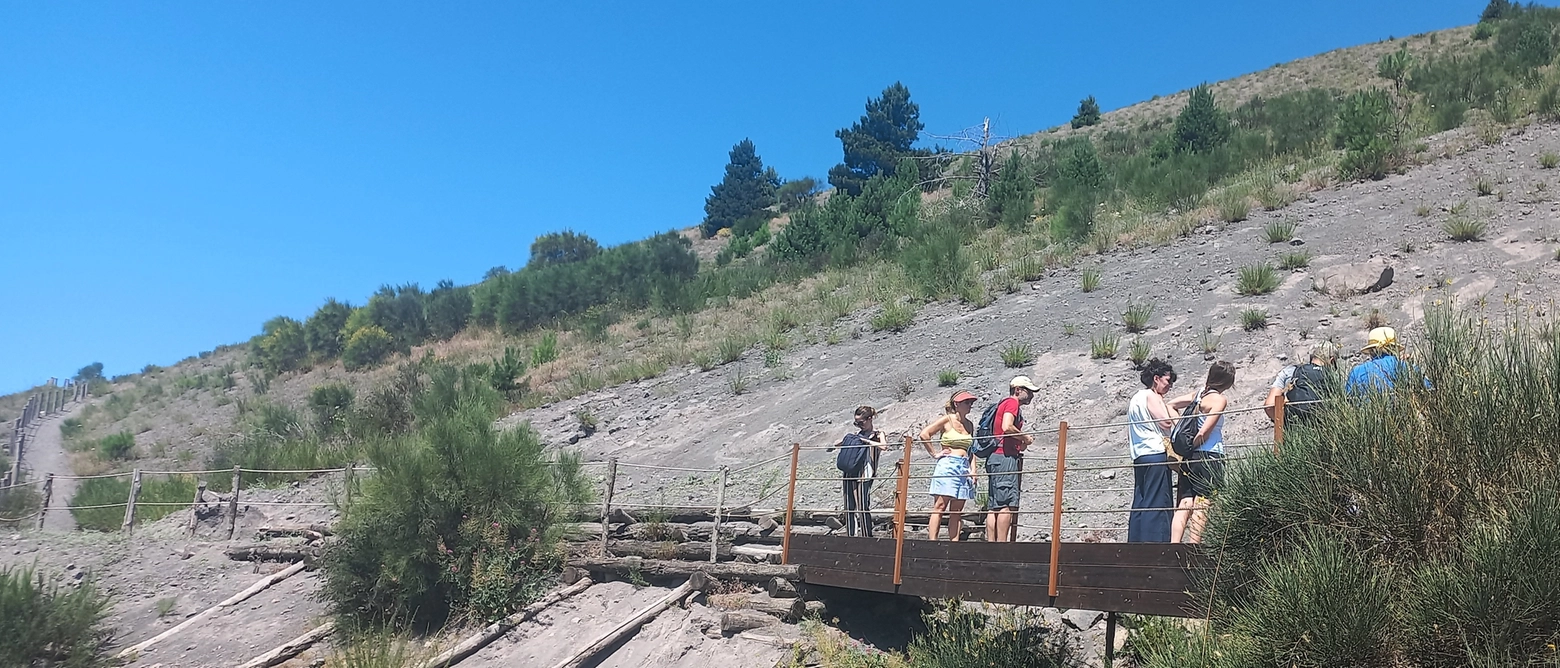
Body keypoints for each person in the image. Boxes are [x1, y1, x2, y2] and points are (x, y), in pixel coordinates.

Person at [1168, 361, 1235, 544]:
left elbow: (1171, 404)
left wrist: (1181, 430)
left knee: (1186, 500)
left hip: (1190, 457)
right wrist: (1196, 439)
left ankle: (1174, 545)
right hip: (1210, 455)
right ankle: (1193, 545)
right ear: (1227, 382)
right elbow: (1205, 432)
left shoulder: (1197, 395)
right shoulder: (1220, 400)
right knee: (1203, 501)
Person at [1127, 359, 1178, 543]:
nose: (1170, 385)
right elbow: (1164, 422)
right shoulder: (1151, 396)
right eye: (1168, 380)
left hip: (1140, 454)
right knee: (1158, 502)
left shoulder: (1135, 398)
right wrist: (1170, 410)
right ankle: (1155, 545)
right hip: (1156, 452)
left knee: (1141, 500)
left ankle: (1135, 543)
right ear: (1156, 378)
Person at [983, 376, 1038, 543]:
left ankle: (992, 544)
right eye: (1028, 391)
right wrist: (1025, 438)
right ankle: (1001, 546)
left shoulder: (1003, 403)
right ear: (1018, 390)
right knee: (1005, 504)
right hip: (1005, 458)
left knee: (994, 505)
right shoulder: (1012, 403)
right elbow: (1007, 427)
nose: (1031, 395)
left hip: (995, 457)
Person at [919, 390, 979, 541]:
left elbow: (971, 451)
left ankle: (954, 543)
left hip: (963, 466)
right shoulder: (947, 420)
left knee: (957, 511)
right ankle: (933, 541)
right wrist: (935, 454)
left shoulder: (969, 425)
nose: (970, 405)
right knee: (940, 506)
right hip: (948, 464)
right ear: (957, 404)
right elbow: (924, 434)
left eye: (971, 402)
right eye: (967, 402)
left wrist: (973, 470)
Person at [835, 406, 885, 538]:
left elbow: (884, 446)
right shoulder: (856, 435)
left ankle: (866, 536)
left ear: (870, 419)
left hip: (865, 473)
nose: (859, 425)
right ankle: (851, 535)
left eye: (861, 422)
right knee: (849, 505)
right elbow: (837, 444)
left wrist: (867, 441)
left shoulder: (878, 434)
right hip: (850, 472)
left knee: (863, 504)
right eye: (856, 423)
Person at [1264, 342, 1340, 425]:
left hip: (1293, 429)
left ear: (1311, 357)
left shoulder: (1290, 371)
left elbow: (1269, 406)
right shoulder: (1333, 378)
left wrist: (1285, 422)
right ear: (1332, 360)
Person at [1347, 327, 1405, 396]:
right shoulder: (1407, 369)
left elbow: (1348, 399)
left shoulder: (1356, 372)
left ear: (1371, 350)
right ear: (1395, 348)